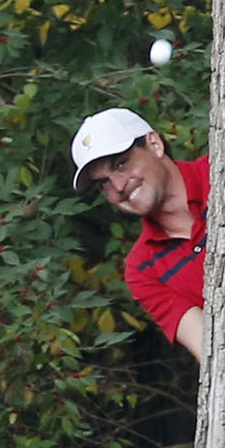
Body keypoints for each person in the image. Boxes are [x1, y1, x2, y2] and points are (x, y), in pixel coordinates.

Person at [71, 108, 207, 359]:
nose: (119, 186)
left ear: (154, 144)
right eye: (103, 183)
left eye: (122, 163)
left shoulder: (223, 173)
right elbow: (212, 349)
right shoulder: (142, 270)